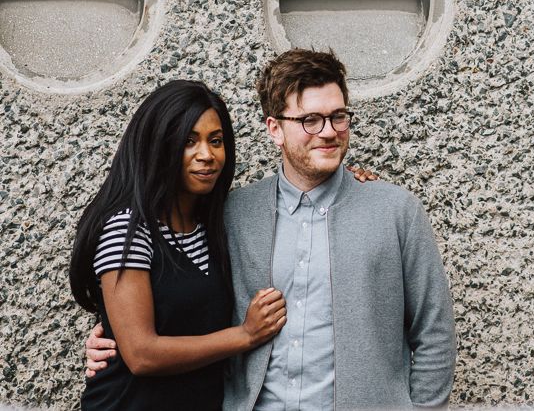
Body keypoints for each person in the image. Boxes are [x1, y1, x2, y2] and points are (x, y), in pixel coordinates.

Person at [88, 49, 456, 409]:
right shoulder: (233, 213)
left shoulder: (394, 211)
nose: (328, 132)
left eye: (338, 116)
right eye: (310, 119)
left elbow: (434, 331)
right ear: (275, 129)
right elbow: (176, 301)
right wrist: (115, 339)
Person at [69, 80, 287, 410]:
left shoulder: (215, 225)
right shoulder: (129, 229)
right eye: (189, 141)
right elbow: (141, 354)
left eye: (216, 141)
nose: (207, 155)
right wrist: (245, 335)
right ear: (159, 145)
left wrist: (352, 187)